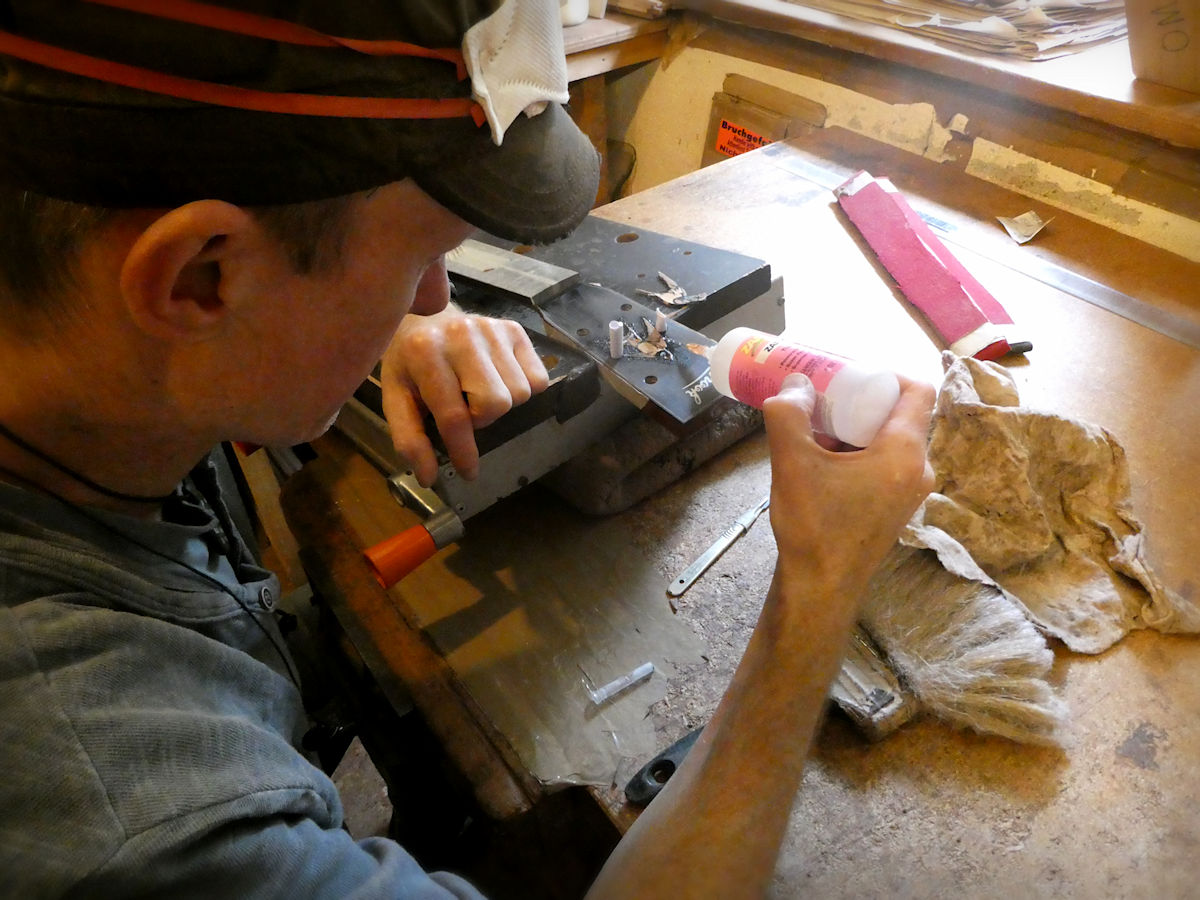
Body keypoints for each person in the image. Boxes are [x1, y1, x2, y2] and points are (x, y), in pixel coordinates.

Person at [0, 2, 934, 897]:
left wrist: (356, 315)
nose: (435, 298)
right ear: (204, 275)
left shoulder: (85, 382)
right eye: (424, 261)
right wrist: (817, 592)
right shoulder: (131, 817)